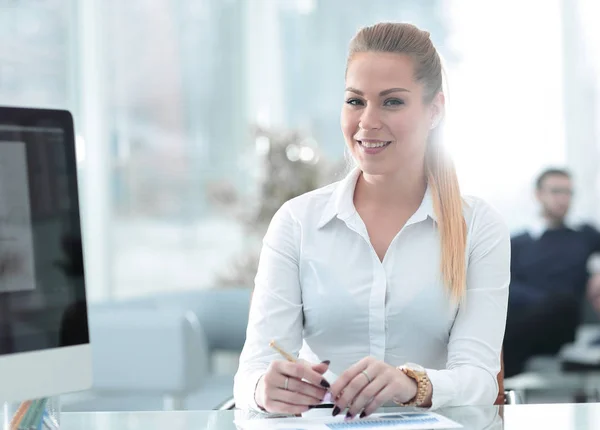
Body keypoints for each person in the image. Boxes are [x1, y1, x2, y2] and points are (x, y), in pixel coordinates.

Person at [233, 22, 510, 417]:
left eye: (392, 102)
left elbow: (481, 379)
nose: (367, 121)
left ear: (435, 110)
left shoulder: (479, 226)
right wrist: (264, 389)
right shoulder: (297, 222)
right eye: (355, 101)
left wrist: (411, 384)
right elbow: (252, 372)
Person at [503, 168, 600, 377]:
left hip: (562, 320)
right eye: (556, 191)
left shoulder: (584, 234)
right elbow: (506, 286)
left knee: (561, 302)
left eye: (568, 192)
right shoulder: (519, 241)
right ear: (538, 195)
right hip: (527, 317)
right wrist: (540, 302)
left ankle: (500, 377)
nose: (563, 199)